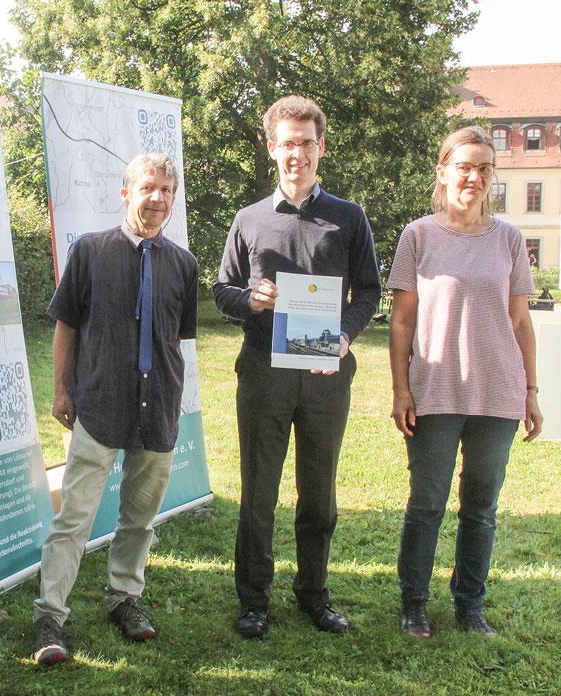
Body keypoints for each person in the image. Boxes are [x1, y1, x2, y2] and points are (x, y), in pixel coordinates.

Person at [213, 95, 380, 638]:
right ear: (272, 149)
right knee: (258, 491)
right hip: (263, 370)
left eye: (307, 143)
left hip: (326, 375)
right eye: (287, 143)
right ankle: (254, 600)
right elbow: (221, 290)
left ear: (320, 147)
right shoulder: (249, 219)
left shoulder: (348, 218)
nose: (297, 154)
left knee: (319, 492)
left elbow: (370, 291)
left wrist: (346, 336)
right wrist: (251, 300)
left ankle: (313, 594)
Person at [32, 153, 199, 666]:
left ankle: (125, 599)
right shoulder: (90, 251)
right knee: (74, 518)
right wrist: (62, 391)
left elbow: (177, 338)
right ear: (126, 192)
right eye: (149, 187)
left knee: (140, 519)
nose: (159, 199)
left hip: (158, 410)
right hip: (100, 405)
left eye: (168, 190)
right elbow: (66, 325)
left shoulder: (184, 264)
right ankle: (49, 617)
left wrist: (173, 400)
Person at [387, 125, 542, 640]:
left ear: (492, 178)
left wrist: (531, 391)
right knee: (426, 503)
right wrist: (400, 389)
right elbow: (402, 321)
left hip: (498, 394)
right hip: (434, 390)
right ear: (443, 172)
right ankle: (414, 604)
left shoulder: (509, 239)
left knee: (481, 508)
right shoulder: (418, 236)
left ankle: (469, 605)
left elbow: (520, 321)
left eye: (483, 168)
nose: (473, 177)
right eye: (464, 166)